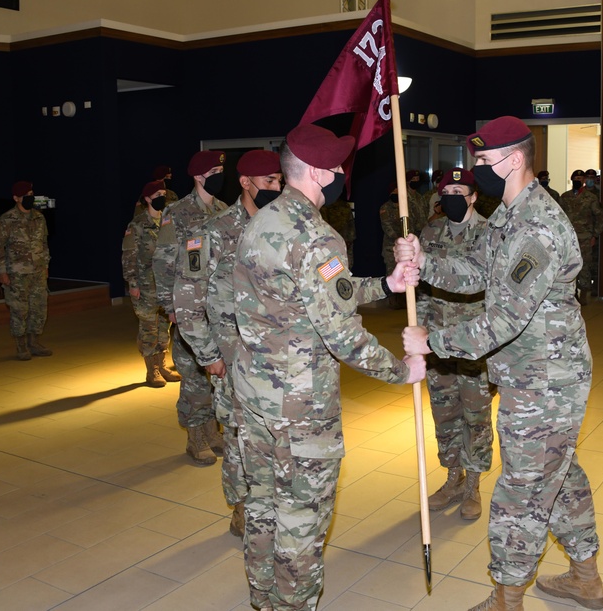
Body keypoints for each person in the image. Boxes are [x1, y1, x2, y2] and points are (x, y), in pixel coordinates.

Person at [397, 116, 603, 611]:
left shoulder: (535, 225)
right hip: (531, 374)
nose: (477, 170)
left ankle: (506, 598)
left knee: (522, 491)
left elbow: (503, 320)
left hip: (546, 380)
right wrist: (424, 263)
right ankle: (586, 579)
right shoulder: (509, 215)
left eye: (484, 161)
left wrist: (433, 340)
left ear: (514, 160)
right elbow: (476, 273)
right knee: (559, 476)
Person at [232, 123, 425, 611]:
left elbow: (318, 297)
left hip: (255, 397)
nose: (342, 173)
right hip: (300, 407)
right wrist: (402, 371)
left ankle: (264, 600)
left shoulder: (261, 222)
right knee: (301, 519)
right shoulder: (317, 237)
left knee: (261, 508)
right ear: (317, 172)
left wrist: (386, 285)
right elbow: (342, 335)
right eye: (337, 167)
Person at [175, 149, 281, 537]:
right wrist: (207, 354)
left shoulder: (285, 227)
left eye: (280, 181)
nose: (276, 188)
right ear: (246, 182)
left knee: (274, 435)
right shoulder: (213, 230)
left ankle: (271, 504)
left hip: (280, 356)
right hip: (233, 356)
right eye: (269, 181)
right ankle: (240, 507)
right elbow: (186, 297)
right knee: (238, 436)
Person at [419, 167, 493, 521]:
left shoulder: (490, 234)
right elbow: (421, 286)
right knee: (444, 412)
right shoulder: (431, 230)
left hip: (475, 343)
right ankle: (452, 477)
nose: (451, 196)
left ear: (474, 196)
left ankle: (473, 484)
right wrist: (418, 329)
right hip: (437, 341)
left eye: (459, 190)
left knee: (475, 415)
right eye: (445, 189)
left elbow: (498, 297)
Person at [153, 150, 229, 465]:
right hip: (191, 309)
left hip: (221, 308)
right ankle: (196, 438)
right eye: (214, 171)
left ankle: (213, 432)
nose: (220, 175)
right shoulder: (178, 212)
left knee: (220, 375)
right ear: (199, 177)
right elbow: (163, 260)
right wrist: (171, 305)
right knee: (195, 375)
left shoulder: (225, 210)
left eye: (222, 170)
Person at [123, 180, 181, 388]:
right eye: (157, 194)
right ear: (147, 199)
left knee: (164, 327)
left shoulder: (168, 222)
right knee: (149, 328)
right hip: (145, 285)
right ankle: (151, 370)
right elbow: (129, 256)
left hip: (166, 285)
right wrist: (132, 283)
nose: (162, 198)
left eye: (164, 194)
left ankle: (162, 365)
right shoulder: (137, 225)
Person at [0, 180, 52, 360]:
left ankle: (34, 342)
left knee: (39, 308)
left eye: (32, 195)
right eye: (26, 196)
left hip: (38, 271)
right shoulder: (6, 219)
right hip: (16, 273)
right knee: (19, 310)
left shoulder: (39, 218)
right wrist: (2, 271)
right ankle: (21, 346)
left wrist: (46, 266)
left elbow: (44, 245)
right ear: (16, 198)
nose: (30, 198)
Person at [559, 169, 603, 304]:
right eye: (575, 179)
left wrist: (595, 235)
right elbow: (559, 216)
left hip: (585, 237)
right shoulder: (565, 197)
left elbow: (599, 216)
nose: (578, 181)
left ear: (584, 181)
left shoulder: (591, 198)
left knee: (584, 265)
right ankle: (572, 293)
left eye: (580, 179)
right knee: (569, 266)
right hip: (568, 238)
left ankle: (584, 293)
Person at [320, 191, 355, 269]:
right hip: (333, 246)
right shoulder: (321, 207)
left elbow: (350, 227)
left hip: (335, 245)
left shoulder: (343, 206)